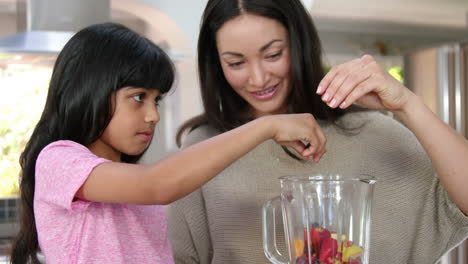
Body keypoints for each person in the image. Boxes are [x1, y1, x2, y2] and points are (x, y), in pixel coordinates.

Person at [166, 0, 468, 263]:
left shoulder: (374, 133)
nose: (257, 78)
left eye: (273, 55)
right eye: (236, 62)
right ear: (216, 64)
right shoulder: (205, 145)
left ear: (299, 45)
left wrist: (408, 104)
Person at [8, 22, 326, 264]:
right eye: (138, 98)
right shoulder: (59, 160)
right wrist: (265, 126)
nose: (153, 116)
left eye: (156, 100)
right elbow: (158, 184)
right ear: (90, 89)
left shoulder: (130, 193)